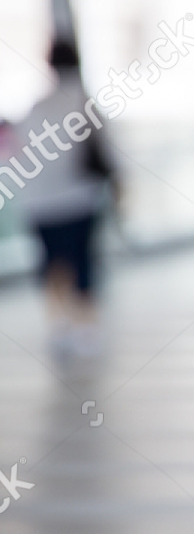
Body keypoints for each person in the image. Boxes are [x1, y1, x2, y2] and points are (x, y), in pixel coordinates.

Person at [13, 39, 117, 357]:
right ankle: (86, 326)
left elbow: (18, 154)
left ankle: (60, 323)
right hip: (79, 200)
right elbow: (109, 151)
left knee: (53, 262)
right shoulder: (85, 104)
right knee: (82, 260)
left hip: (41, 203)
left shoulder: (36, 108)